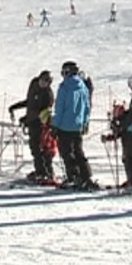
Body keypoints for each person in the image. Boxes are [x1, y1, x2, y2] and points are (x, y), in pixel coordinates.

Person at [53, 61, 95, 189]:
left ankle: (73, 176)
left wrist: (55, 125)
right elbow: (87, 107)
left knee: (67, 153)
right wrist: (85, 122)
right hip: (78, 125)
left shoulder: (64, 87)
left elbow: (59, 108)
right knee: (78, 151)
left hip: (65, 125)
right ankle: (86, 176)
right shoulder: (83, 86)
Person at [9, 70, 56, 183]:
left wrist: (27, 118)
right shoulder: (34, 85)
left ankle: (45, 172)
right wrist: (15, 107)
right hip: (32, 123)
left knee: (42, 149)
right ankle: (39, 171)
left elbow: (42, 112)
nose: (44, 83)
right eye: (43, 80)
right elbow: (30, 103)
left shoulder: (48, 95)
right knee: (34, 148)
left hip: (41, 124)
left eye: (47, 82)